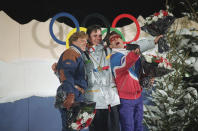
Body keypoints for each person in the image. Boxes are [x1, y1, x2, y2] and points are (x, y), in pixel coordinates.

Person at [108, 31, 162, 131]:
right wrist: (134, 53)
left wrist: (153, 42)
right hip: (125, 100)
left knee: (139, 127)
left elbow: (140, 47)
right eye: (112, 39)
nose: (115, 39)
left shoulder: (130, 52)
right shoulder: (114, 58)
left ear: (122, 40)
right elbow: (126, 63)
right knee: (128, 128)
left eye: (117, 37)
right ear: (110, 46)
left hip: (138, 96)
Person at [82, 25, 120, 131]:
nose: (98, 38)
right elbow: (73, 72)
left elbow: (127, 50)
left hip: (111, 100)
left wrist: (152, 42)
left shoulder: (107, 50)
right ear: (88, 37)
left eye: (100, 35)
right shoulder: (83, 54)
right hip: (95, 101)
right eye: (95, 35)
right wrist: (58, 72)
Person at [52, 31, 88, 131]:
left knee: (73, 128)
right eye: (82, 41)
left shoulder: (77, 54)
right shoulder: (71, 53)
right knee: (70, 128)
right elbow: (67, 74)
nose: (85, 43)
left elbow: (63, 73)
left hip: (76, 94)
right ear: (73, 42)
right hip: (71, 94)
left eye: (86, 41)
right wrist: (70, 94)